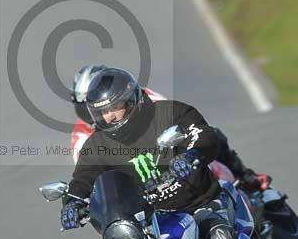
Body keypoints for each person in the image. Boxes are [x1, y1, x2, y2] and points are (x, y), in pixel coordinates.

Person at [61, 67, 288, 239]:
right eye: (101, 112)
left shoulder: (170, 113)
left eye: (114, 108)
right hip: (152, 221)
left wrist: (193, 154)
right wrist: (72, 201)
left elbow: (204, 135)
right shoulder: (97, 144)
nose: (109, 117)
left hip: (200, 202)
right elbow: (83, 178)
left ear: (132, 99)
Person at [70, 64, 271, 191]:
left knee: (210, 133)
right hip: (137, 183)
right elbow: (92, 175)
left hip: (166, 153)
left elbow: (169, 116)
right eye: (93, 104)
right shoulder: (82, 137)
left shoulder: (140, 95)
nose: (105, 112)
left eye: (112, 103)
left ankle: (245, 177)